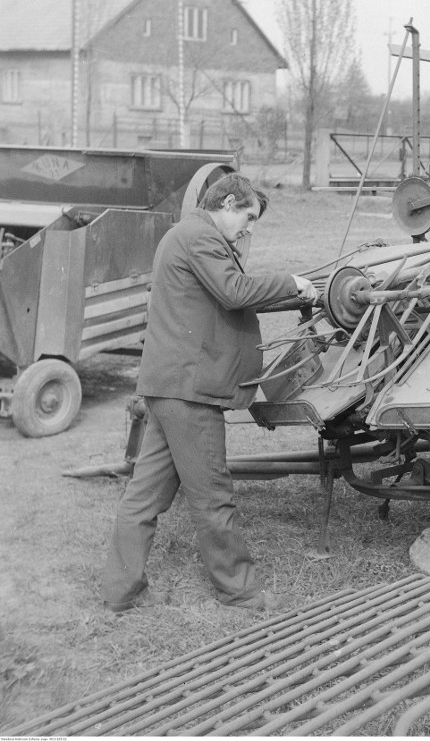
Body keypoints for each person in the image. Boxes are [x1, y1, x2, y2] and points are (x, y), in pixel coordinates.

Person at [101, 174, 317, 613]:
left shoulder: (188, 236)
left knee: (143, 497)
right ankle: (240, 591)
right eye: (249, 217)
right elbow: (234, 292)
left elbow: (224, 298)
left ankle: (120, 592)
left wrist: (292, 296)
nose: (249, 228)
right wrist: (292, 283)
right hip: (190, 392)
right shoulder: (200, 236)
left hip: (169, 388)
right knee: (213, 497)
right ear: (230, 201)